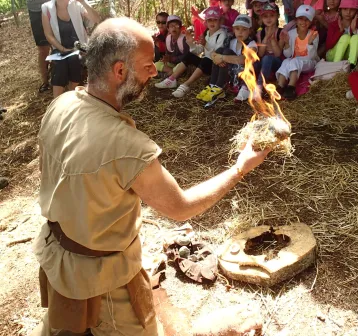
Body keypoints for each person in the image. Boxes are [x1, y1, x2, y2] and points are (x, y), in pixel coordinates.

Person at [31, 17, 273, 336]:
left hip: (57, 255)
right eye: (148, 65)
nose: (156, 72)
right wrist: (241, 167)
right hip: (104, 278)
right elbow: (181, 207)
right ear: (120, 71)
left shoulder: (61, 104)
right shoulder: (127, 146)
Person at [41, 0, 100, 98]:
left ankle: (71, 98)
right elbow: (48, 35)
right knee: (60, 65)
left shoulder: (77, 4)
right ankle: (56, 103)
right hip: (60, 48)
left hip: (79, 47)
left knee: (74, 60)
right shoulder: (46, 8)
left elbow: (96, 19)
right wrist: (62, 49)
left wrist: (82, 0)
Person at [155, 7, 227, 97]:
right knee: (189, 56)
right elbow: (198, 50)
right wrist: (191, 43)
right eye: (209, 20)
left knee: (206, 60)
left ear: (220, 21)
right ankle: (172, 79)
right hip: (206, 63)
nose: (212, 23)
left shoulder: (222, 34)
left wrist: (206, 44)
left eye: (215, 20)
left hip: (215, 66)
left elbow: (218, 55)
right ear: (206, 22)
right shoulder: (207, 33)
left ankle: (185, 85)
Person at [208, 14, 258, 103]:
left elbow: (243, 60)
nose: (240, 32)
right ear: (233, 29)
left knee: (225, 52)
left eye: (244, 29)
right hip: (230, 73)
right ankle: (212, 85)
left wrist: (222, 58)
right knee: (221, 50)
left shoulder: (252, 44)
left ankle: (220, 86)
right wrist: (216, 58)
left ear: (250, 31)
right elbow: (215, 53)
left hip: (242, 75)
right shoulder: (231, 41)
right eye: (237, 29)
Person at [276, 5, 319, 100]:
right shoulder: (291, 33)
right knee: (286, 61)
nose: (303, 22)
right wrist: (287, 43)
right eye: (301, 19)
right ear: (296, 20)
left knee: (294, 61)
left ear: (311, 21)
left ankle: (291, 87)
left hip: (309, 62)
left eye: (306, 20)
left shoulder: (313, 34)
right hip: (294, 61)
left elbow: (312, 56)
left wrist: (310, 43)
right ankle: (280, 86)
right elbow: (288, 55)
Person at [326, 0, 358, 68]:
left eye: (352, 10)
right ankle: (335, 68)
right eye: (345, 9)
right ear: (340, 10)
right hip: (333, 55)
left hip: (348, 57)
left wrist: (355, 31)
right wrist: (340, 31)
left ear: (356, 12)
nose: (348, 12)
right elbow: (328, 46)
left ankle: (351, 66)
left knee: (356, 37)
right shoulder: (333, 25)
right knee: (345, 37)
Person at [256, 3, 284, 85]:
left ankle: (260, 85)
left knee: (267, 58)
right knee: (254, 61)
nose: (268, 19)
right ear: (261, 18)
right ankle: (245, 85)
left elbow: (278, 54)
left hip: (277, 62)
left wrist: (272, 40)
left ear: (277, 16)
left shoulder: (281, 32)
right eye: (265, 16)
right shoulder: (260, 33)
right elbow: (260, 54)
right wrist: (266, 37)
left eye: (271, 15)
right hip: (263, 62)